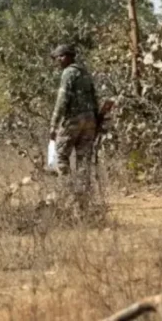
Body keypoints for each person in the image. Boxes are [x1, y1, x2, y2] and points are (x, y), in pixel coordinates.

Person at [49, 44, 99, 215]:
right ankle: (83, 199)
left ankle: (68, 193)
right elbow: (94, 97)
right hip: (89, 120)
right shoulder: (85, 73)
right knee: (84, 159)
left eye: (58, 57)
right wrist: (96, 120)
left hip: (74, 119)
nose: (57, 61)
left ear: (66, 57)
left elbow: (62, 100)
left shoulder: (68, 73)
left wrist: (54, 124)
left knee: (61, 155)